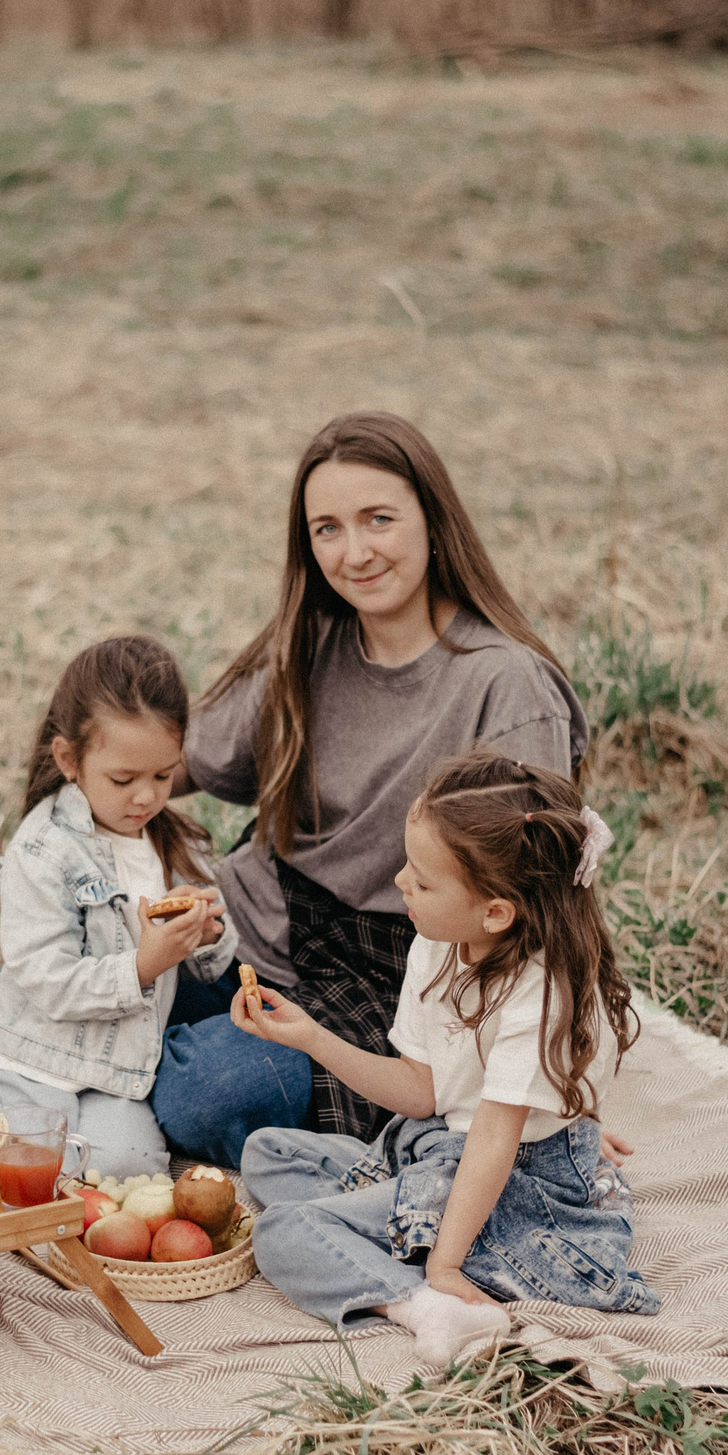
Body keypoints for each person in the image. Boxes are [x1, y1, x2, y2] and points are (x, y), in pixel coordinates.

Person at [160, 412, 589, 1167]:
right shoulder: (311, 642)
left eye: (378, 519)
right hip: (258, 923)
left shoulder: (507, 686)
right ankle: (113, 1063)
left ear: (433, 518)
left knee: (209, 1091)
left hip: (398, 976)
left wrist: (538, 1094)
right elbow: (176, 758)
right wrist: (75, 785)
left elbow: (540, 913)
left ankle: (126, 1074)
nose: (354, 552)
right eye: (326, 528)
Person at [233, 752, 657, 1369]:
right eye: (408, 865)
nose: (401, 882)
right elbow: (420, 1092)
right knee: (267, 1152)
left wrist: (446, 1264)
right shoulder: (439, 945)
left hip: (512, 1173)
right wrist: (312, 1038)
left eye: (423, 880)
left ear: (496, 911)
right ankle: (394, 1227)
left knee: (281, 1233)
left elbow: (493, 1141)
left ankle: (427, 1303)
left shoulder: (537, 995)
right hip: (438, 1143)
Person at [0, 637, 236, 1180]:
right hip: (29, 1063)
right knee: (32, 1177)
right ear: (69, 759)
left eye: (163, 776)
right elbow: (47, 979)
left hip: (115, 1073)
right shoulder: (42, 851)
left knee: (133, 1173)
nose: (146, 798)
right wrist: (143, 966)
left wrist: (209, 934)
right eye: (124, 780)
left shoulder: (173, 844)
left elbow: (210, 960)